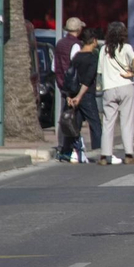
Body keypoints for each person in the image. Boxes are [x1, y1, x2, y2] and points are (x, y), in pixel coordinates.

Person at [97, 21, 134, 165]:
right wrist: (132, 72)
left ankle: (104, 155)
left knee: (108, 123)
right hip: (125, 86)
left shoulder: (104, 50)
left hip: (109, 88)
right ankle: (128, 154)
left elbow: (100, 71)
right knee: (126, 122)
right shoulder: (126, 47)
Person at [63, 28, 101, 164]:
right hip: (86, 95)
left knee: (76, 123)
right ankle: (101, 151)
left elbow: (69, 76)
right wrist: (79, 96)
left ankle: (75, 150)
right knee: (95, 123)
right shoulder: (92, 58)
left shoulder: (77, 57)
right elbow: (88, 79)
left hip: (73, 95)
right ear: (94, 41)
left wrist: (69, 95)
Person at [53, 16, 84, 158]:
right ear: (78, 29)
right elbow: (75, 66)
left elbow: (55, 66)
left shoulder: (59, 43)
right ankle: (69, 146)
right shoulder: (76, 45)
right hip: (72, 85)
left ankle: (62, 144)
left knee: (64, 114)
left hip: (61, 83)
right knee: (71, 116)